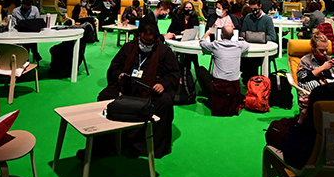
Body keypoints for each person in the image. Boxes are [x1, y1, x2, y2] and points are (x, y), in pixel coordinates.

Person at [96, 21, 180, 158]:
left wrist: (163, 84)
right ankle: (107, 143)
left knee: (165, 102)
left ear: (156, 40)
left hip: (150, 91)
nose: (145, 45)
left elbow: (174, 73)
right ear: (139, 36)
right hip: (127, 88)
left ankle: (148, 146)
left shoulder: (165, 52)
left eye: (149, 43)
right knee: (105, 96)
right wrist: (119, 76)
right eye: (143, 41)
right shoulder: (129, 47)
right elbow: (115, 66)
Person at [199, 23, 249, 116]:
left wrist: (207, 34)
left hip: (219, 85)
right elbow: (247, 44)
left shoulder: (215, 45)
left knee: (200, 70)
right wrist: (243, 39)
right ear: (233, 35)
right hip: (234, 85)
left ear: (221, 35)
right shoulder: (239, 46)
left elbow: (202, 42)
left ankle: (210, 99)